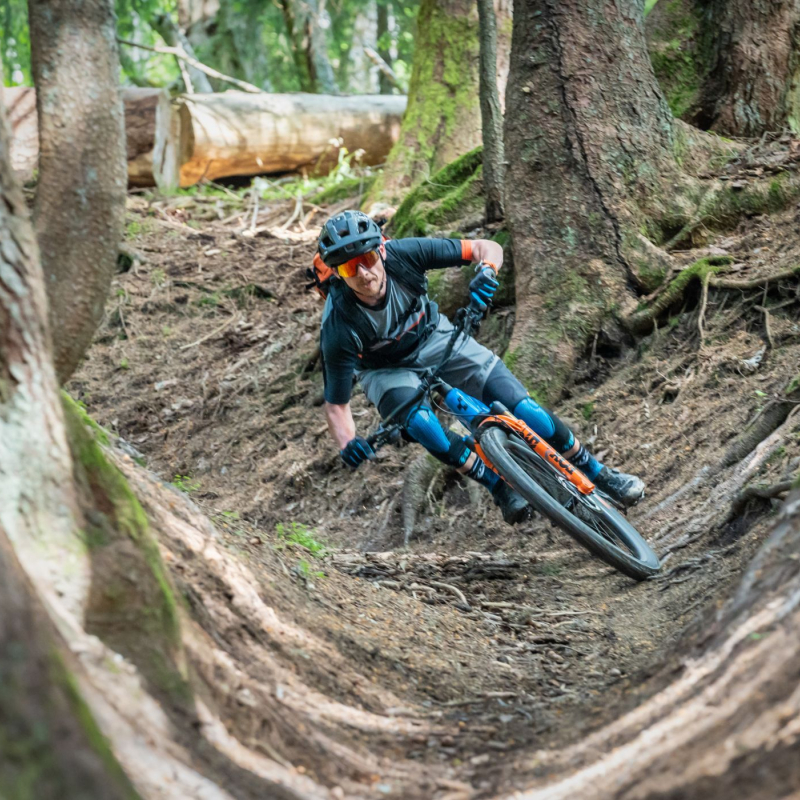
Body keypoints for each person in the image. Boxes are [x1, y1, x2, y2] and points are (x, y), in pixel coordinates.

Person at [317, 210, 644, 523]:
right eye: (348, 269)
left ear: (383, 251)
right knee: (420, 424)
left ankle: (600, 473)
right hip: (385, 371)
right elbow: (337, 405)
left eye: (368, 260)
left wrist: (487, 270)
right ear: (338, 275)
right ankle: (497, 486)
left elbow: (487, 248)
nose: (363, 274)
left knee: (525, 410)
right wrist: (349, 443)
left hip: (435, 337)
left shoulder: (406, 254)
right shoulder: (339, 325)